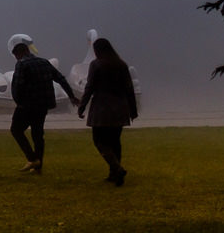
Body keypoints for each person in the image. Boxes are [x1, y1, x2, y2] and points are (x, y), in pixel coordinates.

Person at [8, 36, 78, 174]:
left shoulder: (21, 64)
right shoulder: (44, 62)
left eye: (16, 56)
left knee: (16, 130)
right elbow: (61, 79)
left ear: (18, 54)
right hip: (43, 105)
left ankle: (32, 158)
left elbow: (17, 86)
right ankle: (38, 166)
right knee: (38, 134)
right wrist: (71, 96)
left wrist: (19, 102)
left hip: (27, 105)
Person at [77, 37, 138, 186]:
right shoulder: (121, 65)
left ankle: (117, 168)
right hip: (120, 107)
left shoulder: (96, 65)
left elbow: (89, 87)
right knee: (115, 141)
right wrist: (133, 109)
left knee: (99, 140)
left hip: (102, 107)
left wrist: (82, 105)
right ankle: (114, 173)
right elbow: (130, 89)